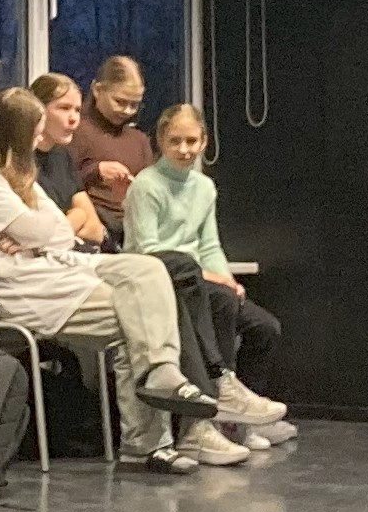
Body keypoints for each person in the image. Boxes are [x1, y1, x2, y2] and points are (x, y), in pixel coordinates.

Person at [0, 86, 234, 467]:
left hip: (60, 268)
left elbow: (58, 231)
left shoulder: (22, 176)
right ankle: (147, 443)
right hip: (28, 292)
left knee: (149, 269)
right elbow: (46, 229)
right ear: (17, 134)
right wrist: (37, 231)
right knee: (137, 318)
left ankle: (161, 376)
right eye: (36, 132)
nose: (40, 141)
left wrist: (33, 234)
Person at [122, 102, 287, 438]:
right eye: (175, 141)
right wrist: (212, 279)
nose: (184, 149)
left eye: (191, 141)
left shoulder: (204, 187)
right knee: (222, 302)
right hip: (164, 280)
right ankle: (217, 399)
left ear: (204, 142)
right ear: (160, 141)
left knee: (265, 327)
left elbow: (209, 244)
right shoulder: (146, 185)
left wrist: (226, 278)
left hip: (203, 279)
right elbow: (148, 249)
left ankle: (241, 420)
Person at [67, 54, 158, 238]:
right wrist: (96, 172)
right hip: (92, 228)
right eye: (120, 102)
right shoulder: (75, 132)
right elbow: (57, 185)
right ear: (97, 90)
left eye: (134, 105)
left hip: (136, 228)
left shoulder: (140, 140)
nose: (127, 111)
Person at [24, 73, 108, 245]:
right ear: (38, 110)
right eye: (64, 108)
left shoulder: (63, 155)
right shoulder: (19, 160)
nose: (73, 119)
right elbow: (35, 237)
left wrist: (78, 216)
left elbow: (95, 231)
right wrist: (78, 216)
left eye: (77, 110)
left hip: (74, 251)